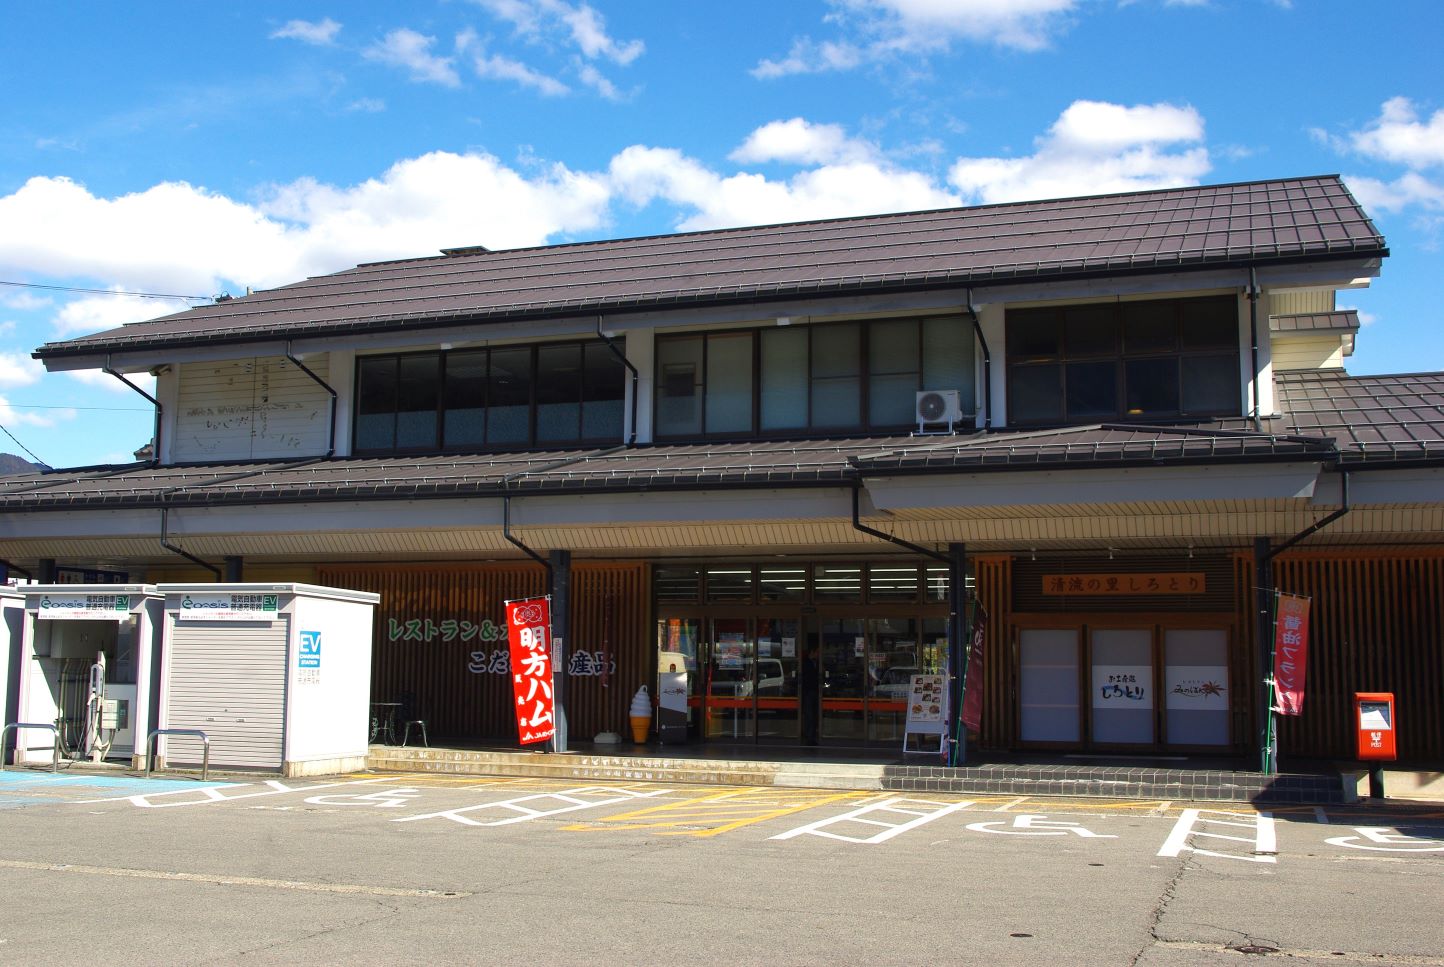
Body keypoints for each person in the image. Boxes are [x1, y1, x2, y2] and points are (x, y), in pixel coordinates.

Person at [799, 644, 820, 746]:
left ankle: (812, 736)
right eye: (817, 652)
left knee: (814, 715)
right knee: (809, 715)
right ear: (812, 652)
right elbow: (806, 678)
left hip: (814, 691)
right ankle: (809, 737)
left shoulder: (816, 663)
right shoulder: (805, 663)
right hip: (808, 692)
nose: (818, 654)